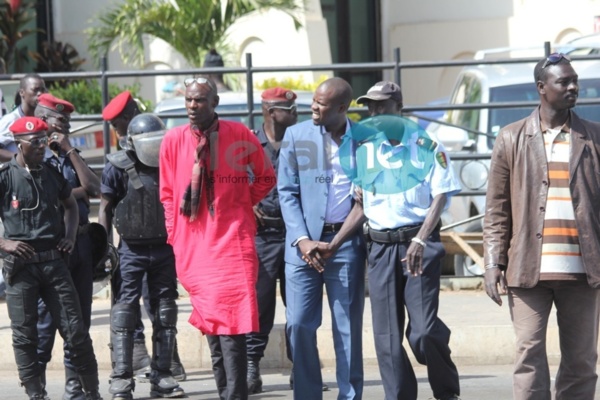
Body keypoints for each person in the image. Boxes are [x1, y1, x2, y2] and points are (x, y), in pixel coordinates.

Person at [317, 81, 462, 400]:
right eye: (370, 107)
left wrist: (421, 239)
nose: (375, 113)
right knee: (386, 337)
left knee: (424, 332)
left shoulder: (427, 144)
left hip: (419, 245)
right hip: (380, 248)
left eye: (381, 106)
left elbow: (440, 195)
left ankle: (446, 391)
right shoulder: (365, 151)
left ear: (399, 107)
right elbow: (361, 206)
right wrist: (335, 243)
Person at [483, 53, 600, 400]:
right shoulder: (511, 137)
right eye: (564, 82)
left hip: (583, 272)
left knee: (581, 361)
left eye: (574, 80)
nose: (573, 87)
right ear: (541, 88)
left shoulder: (594, 137)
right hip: (527, 271)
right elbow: (496, 208)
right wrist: (492, 262)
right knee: (529, 356)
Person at [159, 77, 275, 400]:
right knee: (212, 323)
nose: (192, 106)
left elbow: (266, 177)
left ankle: (235, 394)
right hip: (193, 244)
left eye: (199, 100)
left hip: (233, 240)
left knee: (232, 323)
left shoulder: (239, 134)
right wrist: (175, 234)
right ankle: (226, 391)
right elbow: (167, 194)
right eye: (188, 100)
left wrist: (241, 203)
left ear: (214, 103)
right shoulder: (173, 140)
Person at [0, 117, 102, 400]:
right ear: (18, 143)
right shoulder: (5, 177)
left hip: (55, 264)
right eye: (35, 142)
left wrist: (70, 236)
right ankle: (36, 395)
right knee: (25, 337)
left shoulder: (51, 173)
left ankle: (92, 392)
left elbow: (71, 205)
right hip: (21, 268)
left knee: (76, 331)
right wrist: (5, 243)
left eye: (44, 141)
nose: (41, 147)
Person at [277, 77, 366, 400]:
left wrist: (337, 242)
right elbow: (286, 192)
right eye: (313, 101)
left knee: (347, 328)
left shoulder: (365, 140)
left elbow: (367, 199)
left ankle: (350, 396)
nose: (313, 107)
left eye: (321, 104)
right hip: (303, 248)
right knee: (299, 325)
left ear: (342, 108)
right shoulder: (296, 135)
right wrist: (302, 240)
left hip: (345, 245)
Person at [99, 113, 185, 399]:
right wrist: (104, 249)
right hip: (130, 250)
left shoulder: (171, 163)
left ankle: (163, 375)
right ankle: (122, 378)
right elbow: (105, 208)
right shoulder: (117, 166)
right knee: (124, 313)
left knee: (165, 312)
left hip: (164, 247)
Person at [33, 93, 102, 400]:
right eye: (60, 119)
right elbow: (44, 195)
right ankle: (37, 390)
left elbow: (95, 188)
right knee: (45, 322)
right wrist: (74, 193)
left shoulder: (70, 155)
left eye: (68, 121)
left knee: (79, 321)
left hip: (81, 244)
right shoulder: (34, 157)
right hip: (51, 246)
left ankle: (75, 390)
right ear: (43, 120)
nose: (65, 125)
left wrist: (70, 150)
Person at [245, 87, 298, 394]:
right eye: (288, 110)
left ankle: (301, 367)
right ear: (269, 111)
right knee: (259, 304)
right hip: (262, 236)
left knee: (299, 307)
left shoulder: (301, 142)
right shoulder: (248, 144)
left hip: (295, 236)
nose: (295, 115)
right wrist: (246, 202)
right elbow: (230, 181)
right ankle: (251, 366)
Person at [0, 74, 47, 162]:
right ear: (22, 92)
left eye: (42, 90)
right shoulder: (11, 120)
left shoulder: (44, 118)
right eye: (35, 90)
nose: (40, 93)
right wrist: (21, 159)